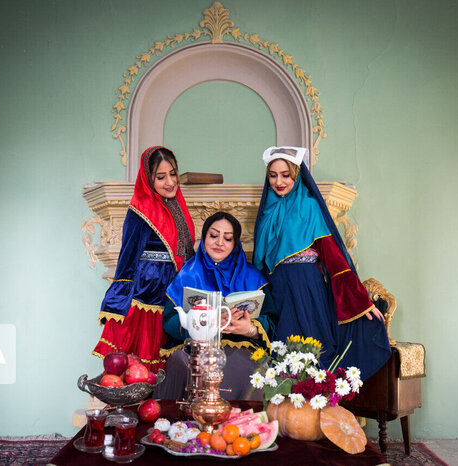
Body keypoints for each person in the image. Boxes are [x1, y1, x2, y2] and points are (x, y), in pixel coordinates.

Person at [253, 146, 391, 380]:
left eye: (285, 174)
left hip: (307, 289)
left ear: (296, 174)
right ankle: (285, 412)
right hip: (279, 294)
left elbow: (335, 260)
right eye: (273, 175)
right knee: (282, 357)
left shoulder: (309, 206)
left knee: (313, 356)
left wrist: (360, 303)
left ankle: (316, 411)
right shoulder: (267, 209)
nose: (279, 181)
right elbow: (261, 263)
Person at [92, 146, 195, 372]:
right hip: (146, 294)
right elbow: (127, 256)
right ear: (148, 178)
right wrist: (120, 295)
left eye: (173, 174)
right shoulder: (139, 211)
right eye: (160, 177)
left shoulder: (178, 206)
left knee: (170, 366)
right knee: (140, 365)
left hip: (172, 289)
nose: (169, 182)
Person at [156, 211, 278, 400]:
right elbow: (170, 319)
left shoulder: (253, 277)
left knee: (251, 367)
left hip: (241, 347)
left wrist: (250, 329)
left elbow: (270, 319)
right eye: (213, 236)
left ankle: (241, 426)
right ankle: (185, 424)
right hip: (195, 348)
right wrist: (202, 325)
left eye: (227, 238)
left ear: (235, 243)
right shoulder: (187, 275)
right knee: (179, 363)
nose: (220, 243)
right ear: (204, 238)